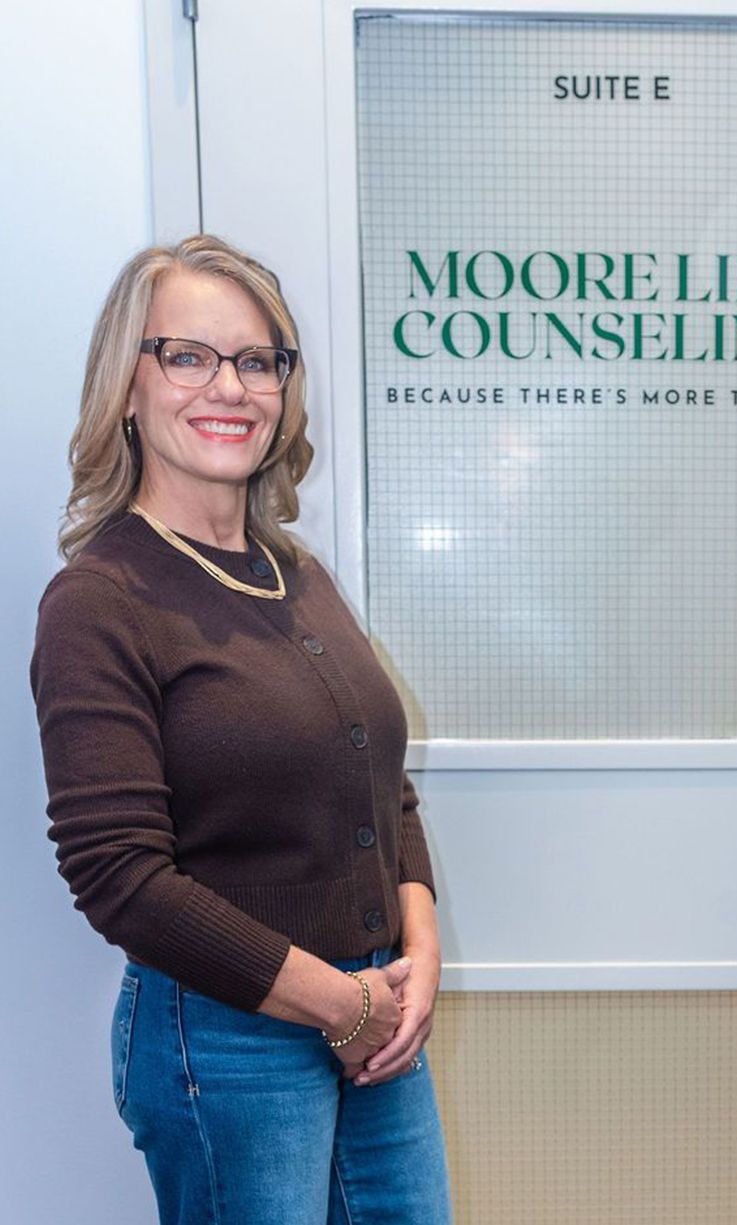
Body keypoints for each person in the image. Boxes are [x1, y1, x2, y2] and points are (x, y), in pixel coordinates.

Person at [30, 235, 452, 1224]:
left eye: (257, 360)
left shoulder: (296, 572)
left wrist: (419, 952)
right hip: (225, 1040)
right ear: (126, 387)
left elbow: (380, 787)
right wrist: (337, 1002)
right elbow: (117, 874)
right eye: (188, 355)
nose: (230, 386)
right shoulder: (99, 600)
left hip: (378, 1016)